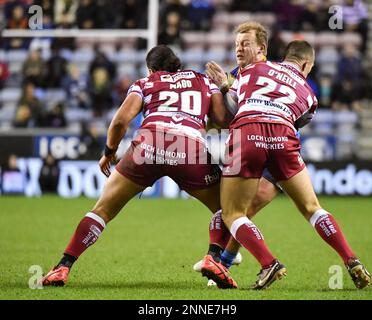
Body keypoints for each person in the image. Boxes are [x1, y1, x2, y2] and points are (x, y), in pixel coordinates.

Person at [41, 45, 232, 286]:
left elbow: (120, 120)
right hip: (188, 148)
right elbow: (224, 120)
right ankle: (213, 257)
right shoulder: (203, 80)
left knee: (102, 210)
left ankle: (63, 267)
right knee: (227, 208)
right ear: (177, 64)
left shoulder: (145, 83)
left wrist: (109, 151)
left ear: (151, 69)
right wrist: (226, 87)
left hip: (148, 146)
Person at [210, 40, 371, 290]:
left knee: (233, 212)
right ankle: (351, 259)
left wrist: (224, 86)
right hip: (283, 136)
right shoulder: (310, 95)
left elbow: (233, 104)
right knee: (312, 207)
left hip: (248, 130)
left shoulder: (252, 69)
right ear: (306, 64)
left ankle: (267, 263)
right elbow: (298, 121)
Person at [195, 22, 286, 287]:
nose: (239, 49)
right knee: (235, 212)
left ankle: (226, 261)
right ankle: (223, 261)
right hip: (249, 144)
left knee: (244, 209)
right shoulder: (236, 73)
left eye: (245, 44)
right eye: (236, 44)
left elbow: (251, 108)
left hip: (277, 149)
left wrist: (225, 86)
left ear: (262, 48)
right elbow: (230, 116)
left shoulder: (273, 73)